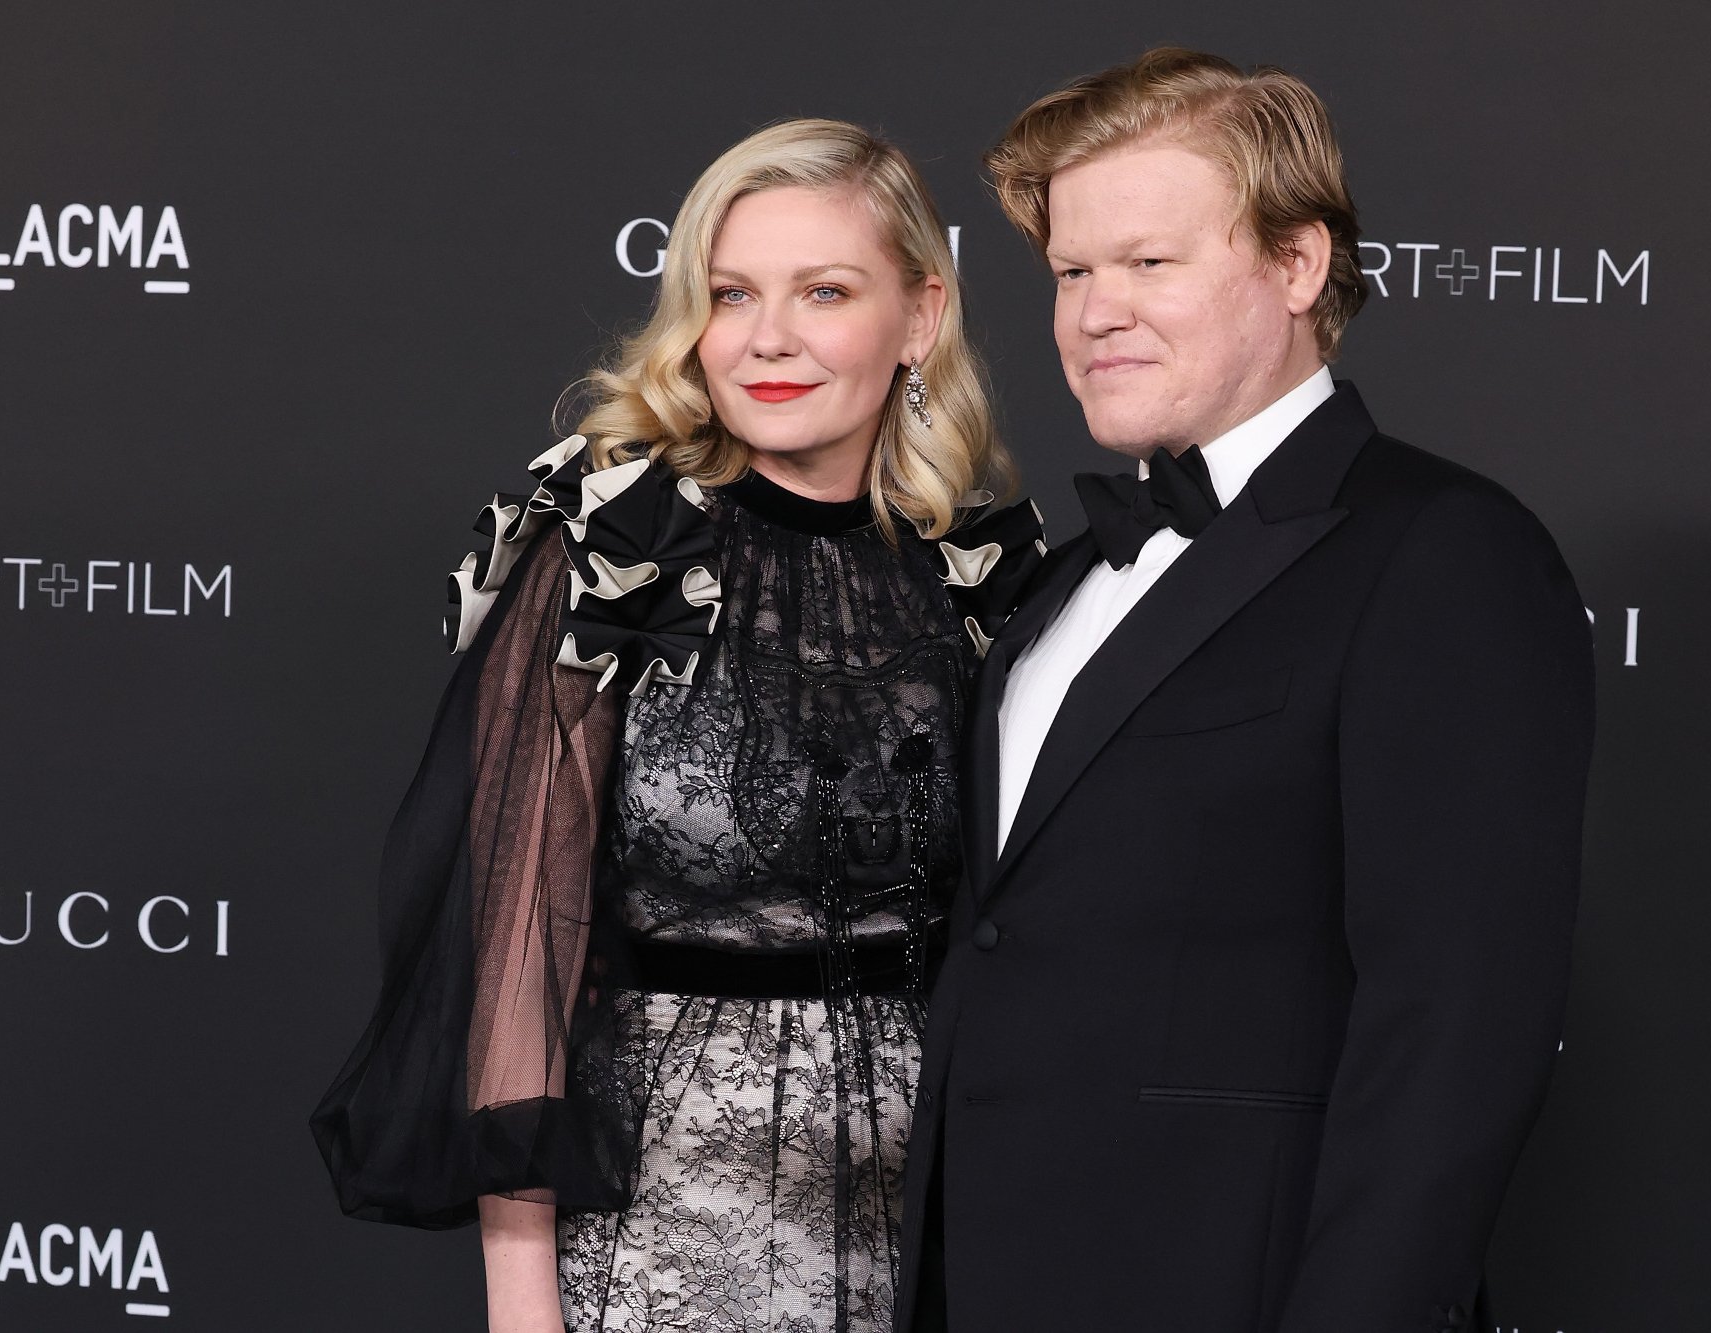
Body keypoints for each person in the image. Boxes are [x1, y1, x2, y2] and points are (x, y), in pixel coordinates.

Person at [898, 49, 1595, 1333]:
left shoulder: (1439, 552)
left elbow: (1453, 1031)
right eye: (1069, 271)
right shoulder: (1058, 582)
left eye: (1149, 263)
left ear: (1296, 266)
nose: (1092, 312)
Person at [311, 118, 1042, 1333]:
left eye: (823, 291)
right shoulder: (617, 548)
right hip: (670, 1220)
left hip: (934, 1215)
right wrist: (521, 1308)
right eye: (730, 293)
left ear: (918, 317)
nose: (767, 338)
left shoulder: (972, 574)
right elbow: (513, 957)